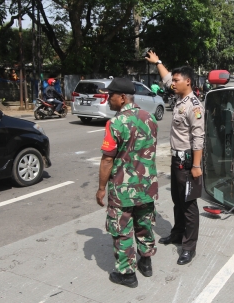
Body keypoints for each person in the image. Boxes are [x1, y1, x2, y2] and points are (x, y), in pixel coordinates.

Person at [95, 78, 159, 288]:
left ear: (122, 98)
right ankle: (146, 262)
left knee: (122, 230)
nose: (108, 99)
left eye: (111, 95)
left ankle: (127, 274)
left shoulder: (115, 123)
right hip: (147, 187)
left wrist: (102, 188)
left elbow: (107, 159)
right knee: (144, 224)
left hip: (123, 189)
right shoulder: (150, 118)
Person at [145, 50, 205, 265]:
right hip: (176, 160)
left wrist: (196, 166)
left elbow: (199, 138)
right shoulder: (180, 97)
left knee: (188, 205)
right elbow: (167, 77)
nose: (173, 83)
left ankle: (189, 247)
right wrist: (158, 62)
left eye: (177, 80)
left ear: (187, 82)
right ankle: (178, 233)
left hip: (188, 161)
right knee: (177, 201)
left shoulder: (194, 106)